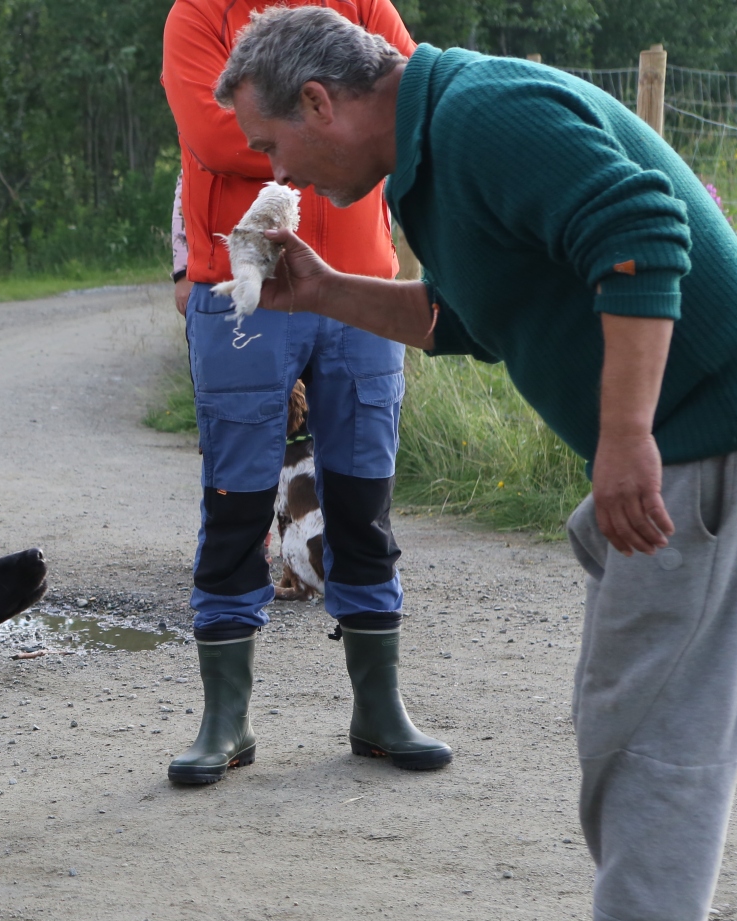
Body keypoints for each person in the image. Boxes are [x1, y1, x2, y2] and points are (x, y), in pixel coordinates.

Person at [214, 5, 737, 921]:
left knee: (649, 735)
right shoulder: (431, 151)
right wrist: (320, 289)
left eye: (271, 143)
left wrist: (626, 435)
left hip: (706, 433)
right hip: (693, 434)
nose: (277, 170)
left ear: (320, 101)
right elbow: (471, 318)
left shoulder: (487, 115)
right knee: (633, 724)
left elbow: (645, 228)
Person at [160, 0, 450, 785]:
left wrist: (335, 132)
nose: (280, 155)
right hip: (241, 288)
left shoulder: (364, 5)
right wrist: (342, 135)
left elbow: (408, 107)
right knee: (236, 502)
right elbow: (212, 134)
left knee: (363, 498)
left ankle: (379, 710)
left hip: (361, 284)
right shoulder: (197, 15)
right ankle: (226, 721)